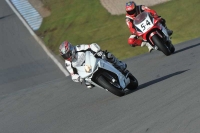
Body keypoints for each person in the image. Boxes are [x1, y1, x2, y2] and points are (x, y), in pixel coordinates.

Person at [59, 41, 127, 89]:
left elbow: (91, 46)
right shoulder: (67, 63)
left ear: (71, 49)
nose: (67, 57)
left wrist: (98, 50)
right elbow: (72, 74)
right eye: (64, 56)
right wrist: (78, 78)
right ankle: (106, 86)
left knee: (107, 56)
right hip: (86, 71)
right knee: (89, 86)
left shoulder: (78, 48)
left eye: (68, 54)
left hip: (93, 59)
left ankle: (120, 64)